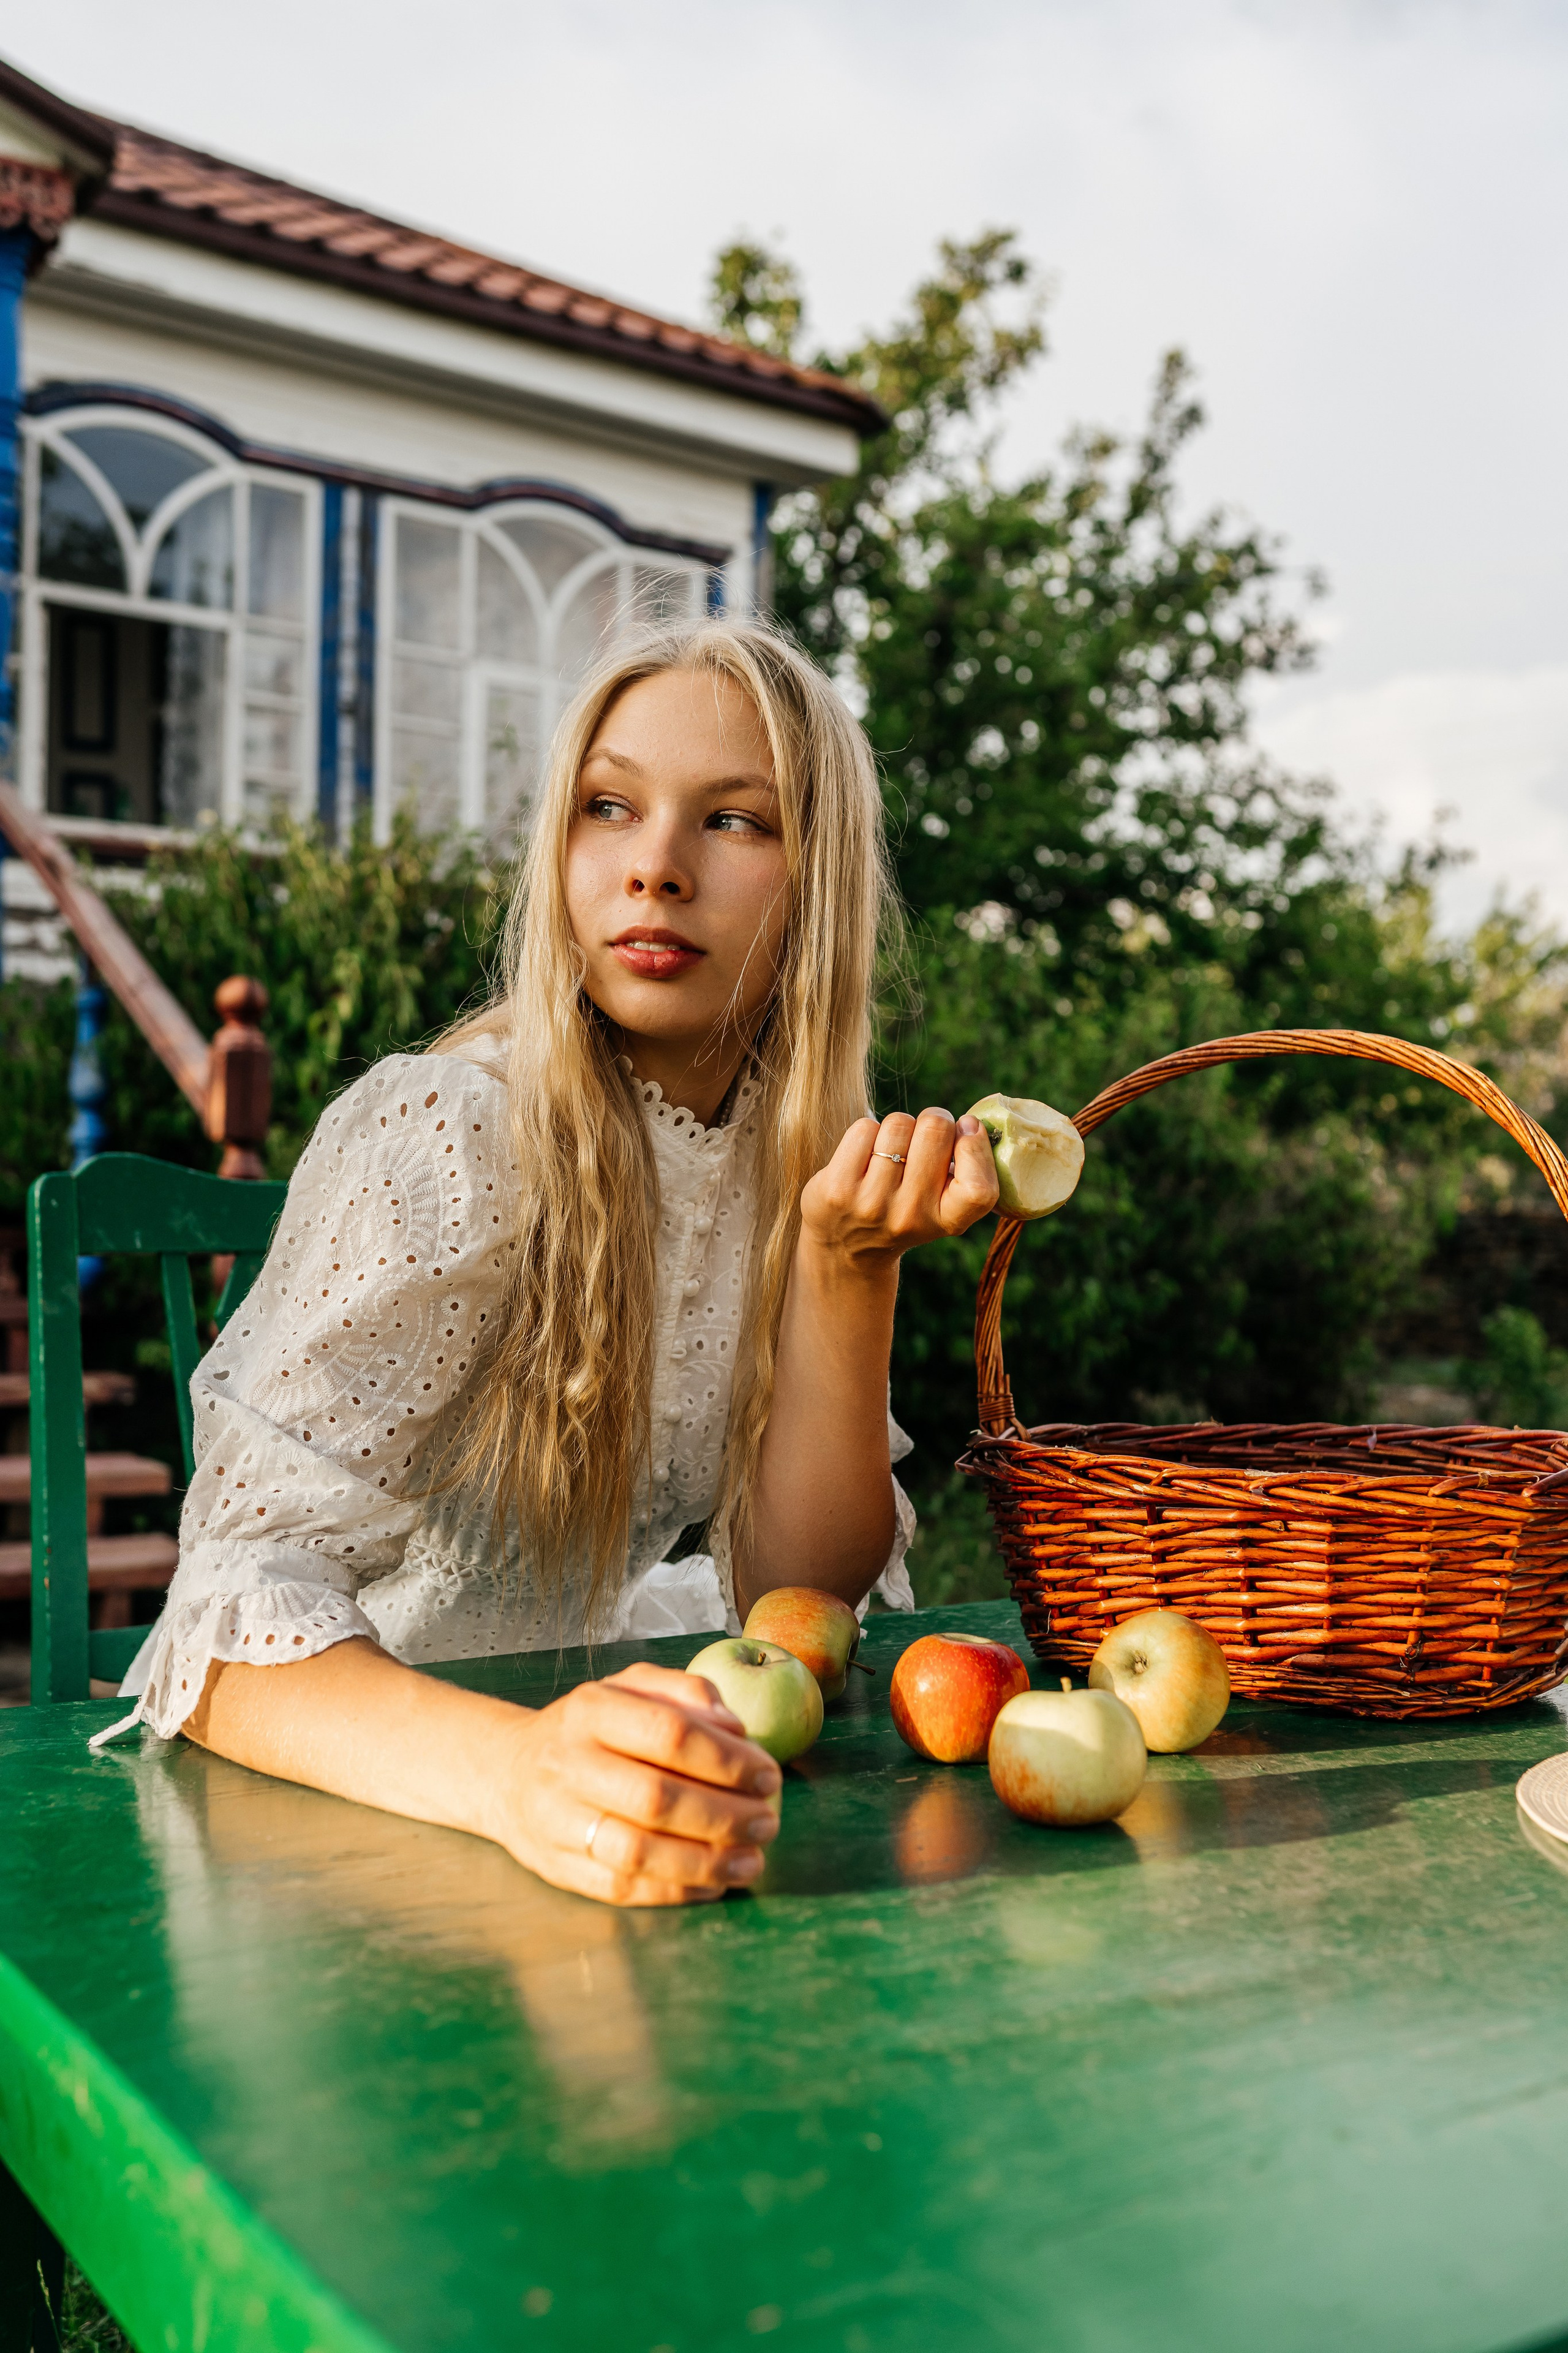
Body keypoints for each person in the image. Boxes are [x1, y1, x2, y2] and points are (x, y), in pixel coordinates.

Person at [96, 622, 1000, 1904]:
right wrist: (517, 1774)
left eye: (733, 822)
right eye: (608, 806)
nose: (653, 868)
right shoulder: (450, 1131)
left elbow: (795, 1598)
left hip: (592, 1781)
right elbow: (230, 1616)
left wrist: (843, 1269)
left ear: (821, 882)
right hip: (354, 1798)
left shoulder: (785, 1154)